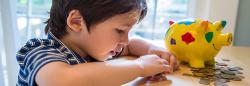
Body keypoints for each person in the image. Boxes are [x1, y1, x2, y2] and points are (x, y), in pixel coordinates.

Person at [16, 0, 178, 86]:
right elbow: (62, 81)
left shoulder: (93, 48)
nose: (125, 40)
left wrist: (151, 49)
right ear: (77, 21)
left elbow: (131, 45)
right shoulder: (40, 51)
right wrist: (140, 67)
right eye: (120, 31)